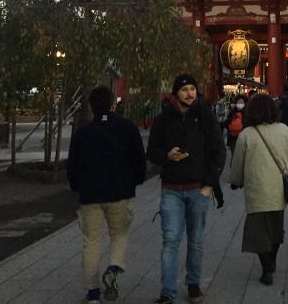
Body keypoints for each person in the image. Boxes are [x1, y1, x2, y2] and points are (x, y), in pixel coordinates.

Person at [147, 74, 226, 304]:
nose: (189, 93)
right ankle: (168, 292)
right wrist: (166, 155)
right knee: (170, 239)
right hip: (171, 188)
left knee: (196, 241)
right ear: (175, 94)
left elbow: (218, 151)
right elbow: (151, 151)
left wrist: (209, 185)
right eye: (184, 90)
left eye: (192, 89)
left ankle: (193, 284)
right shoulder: (163, 119)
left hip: (198, 188)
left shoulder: (205, 117)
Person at [67, 86, 146, 304]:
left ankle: (92, 293)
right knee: (119, 234)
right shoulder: (127, 127)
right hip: (120, 192)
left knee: (91, 241)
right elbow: (139, 159)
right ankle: (113, 267)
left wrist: (77, 187)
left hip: (90, 195)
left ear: (92, 108)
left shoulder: (82, 133)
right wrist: (136, 180)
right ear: (112, 105)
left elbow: (72, 166)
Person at [230, 95, 288, 286]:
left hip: (256, 190)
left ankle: (267, 268)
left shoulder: (246, 135)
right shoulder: (285, 131)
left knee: (259, 231)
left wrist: (236, 180)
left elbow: (237, 163)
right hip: (279, 189)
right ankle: (272, 260)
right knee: (276, 228)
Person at [225, 95, 246, 160]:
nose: (240, 104)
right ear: (236, 103)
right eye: (239, 102)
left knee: (242, 156)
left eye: (242, 102)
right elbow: (226, 123)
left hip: (243, 138)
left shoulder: (247, 112)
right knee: (234, 156)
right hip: (233, 138)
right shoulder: (232, 112)